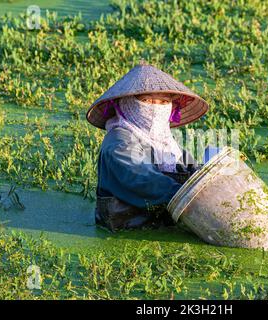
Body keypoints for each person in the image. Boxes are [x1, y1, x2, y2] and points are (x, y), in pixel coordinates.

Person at [86, 61, 209, 232]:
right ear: (127, 103)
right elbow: (142, 178)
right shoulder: (119, 143)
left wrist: (209, 186)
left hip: (161, 228)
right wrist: (187, 196)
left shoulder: (167, 144)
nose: (155, 108)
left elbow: (192, 171)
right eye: (146, 100)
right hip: (127, 230)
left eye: (162, 102)